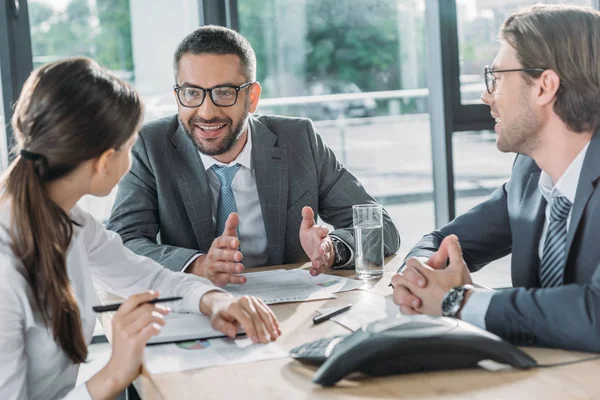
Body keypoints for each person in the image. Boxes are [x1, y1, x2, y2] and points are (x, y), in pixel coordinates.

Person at [0, 57, 280, 400]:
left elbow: (151, 278)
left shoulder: (70, 222)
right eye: (130, 146)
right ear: (104, 161)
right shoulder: (5, 269)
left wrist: (214, 300)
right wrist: (115, 373)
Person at [107, 25, 400, 286]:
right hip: (197, 308)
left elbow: (381, 228)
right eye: (192, 93)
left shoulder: (298, 140)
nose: (207, 112)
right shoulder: (150, 146)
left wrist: (332, 249)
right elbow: (121, 244)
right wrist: (198, 265)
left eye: (224, 93)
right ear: (177, 96)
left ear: (252, 98)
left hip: (288, 312)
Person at [392, 4, 600, 353]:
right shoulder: (530, 173)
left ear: (544, 86)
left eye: (497, 78)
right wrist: (420, 279)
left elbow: (595, 314)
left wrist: (460, 302)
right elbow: (444, 240)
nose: (486, 96)